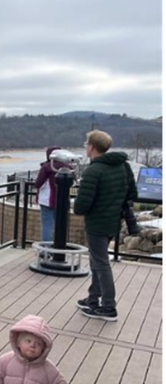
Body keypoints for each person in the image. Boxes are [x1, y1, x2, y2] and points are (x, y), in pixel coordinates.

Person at [74, 130, 137, 322]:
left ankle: (108, 306)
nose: (85, 146)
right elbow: (132, 193)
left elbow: (81, 206)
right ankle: (93, 299)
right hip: (113, 222)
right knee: (97, 261)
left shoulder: (93, 171)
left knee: (101, 264)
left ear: (92, 147)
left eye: (86, 143)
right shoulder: (123, 166)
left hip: (97, 223)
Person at [0, 315, 66, 384]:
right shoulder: (5, 361)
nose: (32, 345)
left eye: (38, 344)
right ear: (18, 343)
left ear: (44, 348)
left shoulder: (48, 369)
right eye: (28, 341)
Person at [34, 146, 68, 250]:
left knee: (47, 225)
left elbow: (38, 183)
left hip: (47, 200)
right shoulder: (67, 167)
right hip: (62, 201)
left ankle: (46, 250)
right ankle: (59, 247)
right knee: (60, 225)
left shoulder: (47, 167)